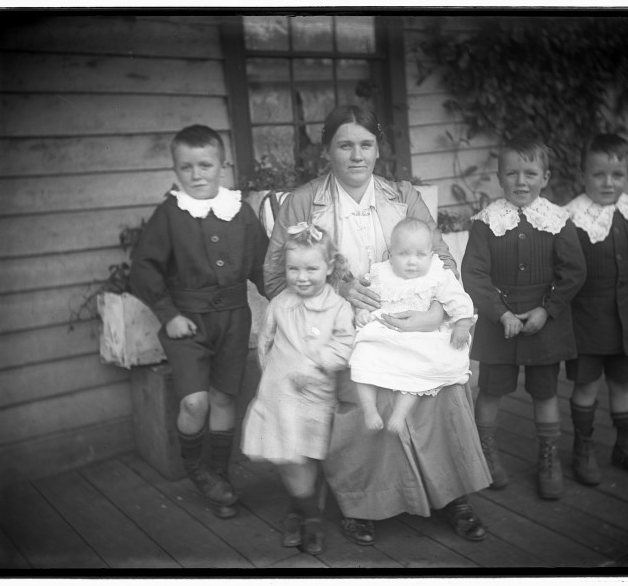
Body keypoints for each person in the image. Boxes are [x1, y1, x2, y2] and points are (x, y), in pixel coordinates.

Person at [264, 105, 492, 545]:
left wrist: (433, 316)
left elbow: (443, 264)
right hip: (334, 328)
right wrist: (336, 288)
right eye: (344, 145)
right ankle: (362, 500)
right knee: (362, 388)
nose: (356, 155)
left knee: (441, 380)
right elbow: (276, 278)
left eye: (366, 144)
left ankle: (452, 494)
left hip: (411, 320)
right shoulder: (303, 203)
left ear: (377, 149)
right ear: (326, 151)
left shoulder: (403, 198)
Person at [129, 124, 269, 518]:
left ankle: (219, 475)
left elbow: (262, 266)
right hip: (186, 323)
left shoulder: (239, 212)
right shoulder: (170, 214)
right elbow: (143, 269)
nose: (197, 174)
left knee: (224, 397)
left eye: (205, 165)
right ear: (176, 170)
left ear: (222, 166)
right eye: (186, 167)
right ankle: (198, 470)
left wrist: (290, 300)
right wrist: (168, 315)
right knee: (194, 403)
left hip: (232, 318)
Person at [461, 135, 586, 500]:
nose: (521, 181)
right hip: (498, 323)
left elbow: (573, 272)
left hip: (543, 323)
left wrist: (547, 309)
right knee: (492, 389)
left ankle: (549, 458)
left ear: (545, 178)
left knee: (545, 391)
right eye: (511, 173)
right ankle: (485, 453)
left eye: (530, 173)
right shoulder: (485, 222)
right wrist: (500, 313)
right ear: (499, 178)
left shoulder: (558, 220)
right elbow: (474, 274)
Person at [241, 224, 355, 555]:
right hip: (279, 393)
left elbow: (345, 344)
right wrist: (273, 376)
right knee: (286, 454)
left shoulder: (338, 308)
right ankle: (306, 512)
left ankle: (306, 513)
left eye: (311, 269)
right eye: (293, 269)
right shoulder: (280, 303)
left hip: (314, 394)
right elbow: (265, 340)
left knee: (306, 453)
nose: (301, 277)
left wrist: (317, 364)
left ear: (329, 267)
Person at [563, 133, 628, 486]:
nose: (609, 183)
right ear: (583, 175)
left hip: (626, 319)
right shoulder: (572, 219)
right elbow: (564, 270)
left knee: (623, 383)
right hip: (587, 323)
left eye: (617, 175)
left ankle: (627, 446)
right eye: (598, 175)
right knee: (587, 385)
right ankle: (584, 446)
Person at [350, 217, 476, 435]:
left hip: (421, 336)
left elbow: (458, 299)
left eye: (420, 255)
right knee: (363, 356)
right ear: (391, 255)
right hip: (385, 334)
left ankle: (399, 414)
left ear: (431, 254)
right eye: (403, 254)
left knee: (417, 368)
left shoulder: (438, 273)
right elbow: (368, 299)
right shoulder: (381, 273)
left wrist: (462, 324)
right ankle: (369, 409)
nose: (412, 262)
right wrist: (362, 313)